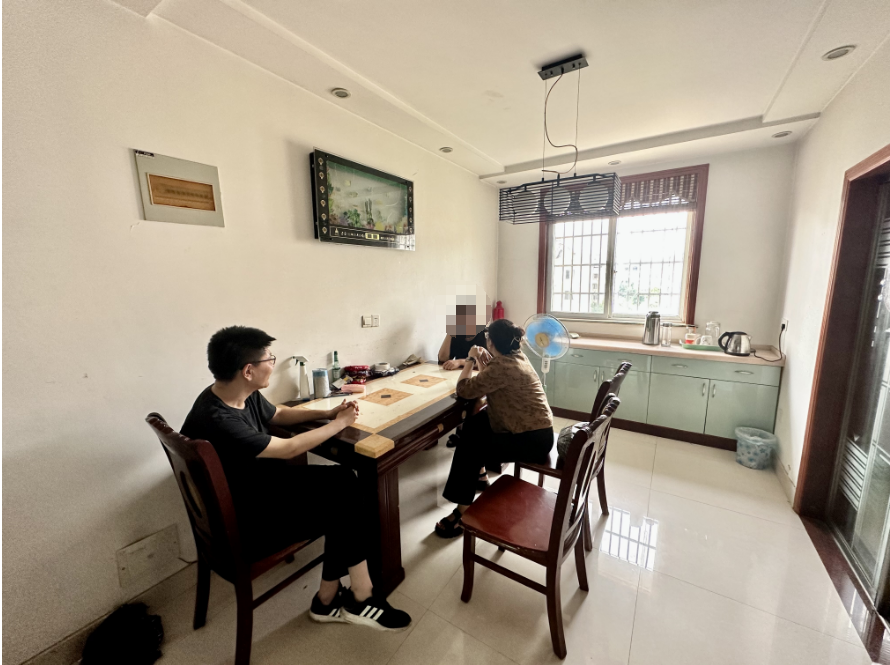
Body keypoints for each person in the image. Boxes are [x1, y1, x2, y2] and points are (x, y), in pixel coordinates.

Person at [181, 326, 411, 631]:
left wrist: (329, 413)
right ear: (248, 371)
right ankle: (359, 597)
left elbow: (277, 414)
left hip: (251, 493)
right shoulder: (220, 421)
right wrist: (340, 423)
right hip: (246, 525)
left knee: (343, 483)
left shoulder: (231, 393)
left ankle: (332, 599)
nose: (272, 364)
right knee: (345, 500)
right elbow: (288, 448)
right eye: (269, 359)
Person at [434, 318, 554, 538]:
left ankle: (462, 511)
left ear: (491, 343)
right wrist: (483, 361)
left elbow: (464, 390)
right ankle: (479, 477)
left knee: (469, 446)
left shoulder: (501, 367)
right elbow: (490, 380)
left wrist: (470, 359)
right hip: (539, 433)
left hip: (530, 441)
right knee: (475, 424)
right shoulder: (516, 357)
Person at [438, 303, 489, 448]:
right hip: (459, 374)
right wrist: (450, 332)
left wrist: (460, 361)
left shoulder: (484, 336)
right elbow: (442, 358)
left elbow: (485, 362)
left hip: (476, 375)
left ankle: (464, 432)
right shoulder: (458, 334)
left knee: (468, 395)